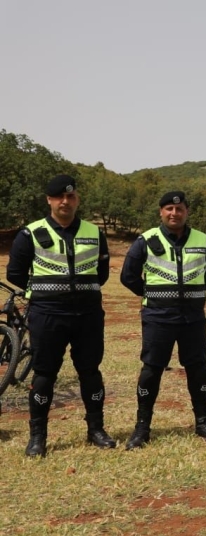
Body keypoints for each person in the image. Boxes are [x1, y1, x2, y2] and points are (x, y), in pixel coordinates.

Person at [6, 175, 115, 457]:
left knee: (90, 372)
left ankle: (96, 429)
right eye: (59, 197)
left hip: (88, 314)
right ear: (49, 200)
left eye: (70, 196)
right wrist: (45, 293)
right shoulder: (30, 233)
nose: (65, 201)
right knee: (44, 374)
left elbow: (101, 273)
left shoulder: (94, 233)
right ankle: (37, 437)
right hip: (48, 315)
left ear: (77, 199)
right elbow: (15, 273)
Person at [120, 191, 206, 449]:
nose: (174, 213)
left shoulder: (202, 240)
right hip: (158, 317)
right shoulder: (146, 240)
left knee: (197, 368)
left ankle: (202, 422)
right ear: (161, 212)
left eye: (179, 209)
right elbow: (128, 276)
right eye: (169, 209)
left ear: (186, 212)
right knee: (151, 370)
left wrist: (192, 292)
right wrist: (152, 295)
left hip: (193, 317)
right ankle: (142, 427)